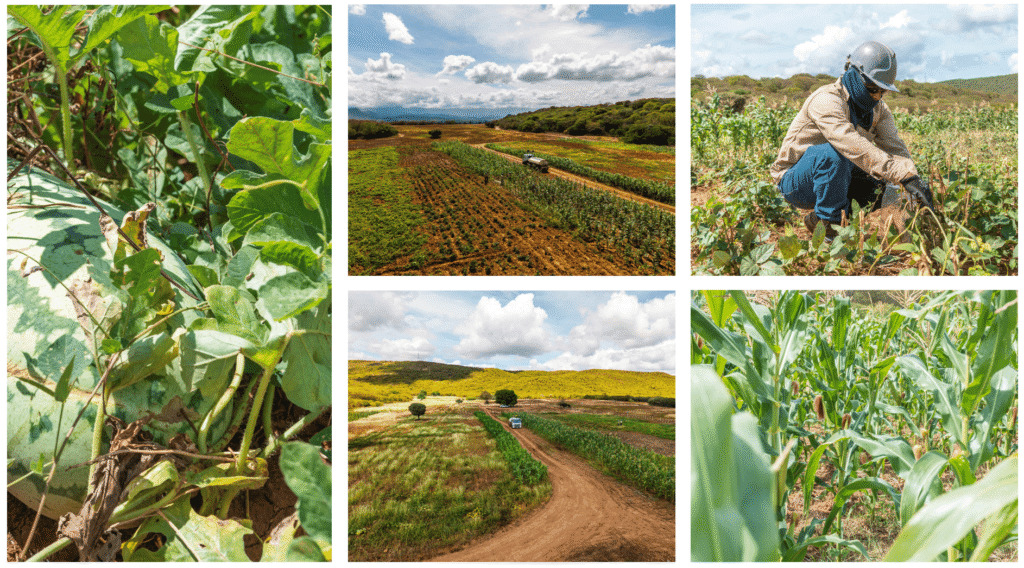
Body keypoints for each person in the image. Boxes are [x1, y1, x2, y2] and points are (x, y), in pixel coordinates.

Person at [770, 41, 933, 240]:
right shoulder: (826, 99)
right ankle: (830, 232)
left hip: (838, 174)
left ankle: (819, 220)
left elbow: (895, 148)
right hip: (797, 182)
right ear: (854, 74)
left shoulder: (879, 110)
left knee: (881, 185)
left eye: (883, 91)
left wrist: (913, 180)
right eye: (873, 88)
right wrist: (902, 175)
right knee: (835, 153)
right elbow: (848, 142)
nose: (878, 96)